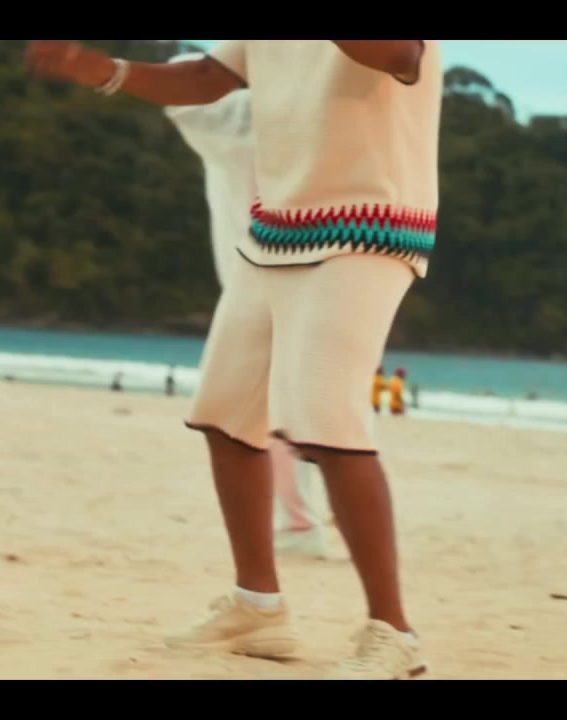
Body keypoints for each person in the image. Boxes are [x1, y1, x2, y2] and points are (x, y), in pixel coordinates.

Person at [27, 38, 440, 680]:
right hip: (279, 226)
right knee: (224, 415)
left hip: (370, 223)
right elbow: (206, 78)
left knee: (328, 425)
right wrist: (101, 70)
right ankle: (258, 607)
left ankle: (394, 633)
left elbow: (399, 57)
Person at [162, 53, 328, 559]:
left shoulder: (239, 126)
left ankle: (298, 524)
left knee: (253, 416)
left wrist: (242, 66)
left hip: (260, 281)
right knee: (301, 412)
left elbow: (182, 91)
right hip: (312, 277)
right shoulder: (310, 121)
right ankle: (300, 521)